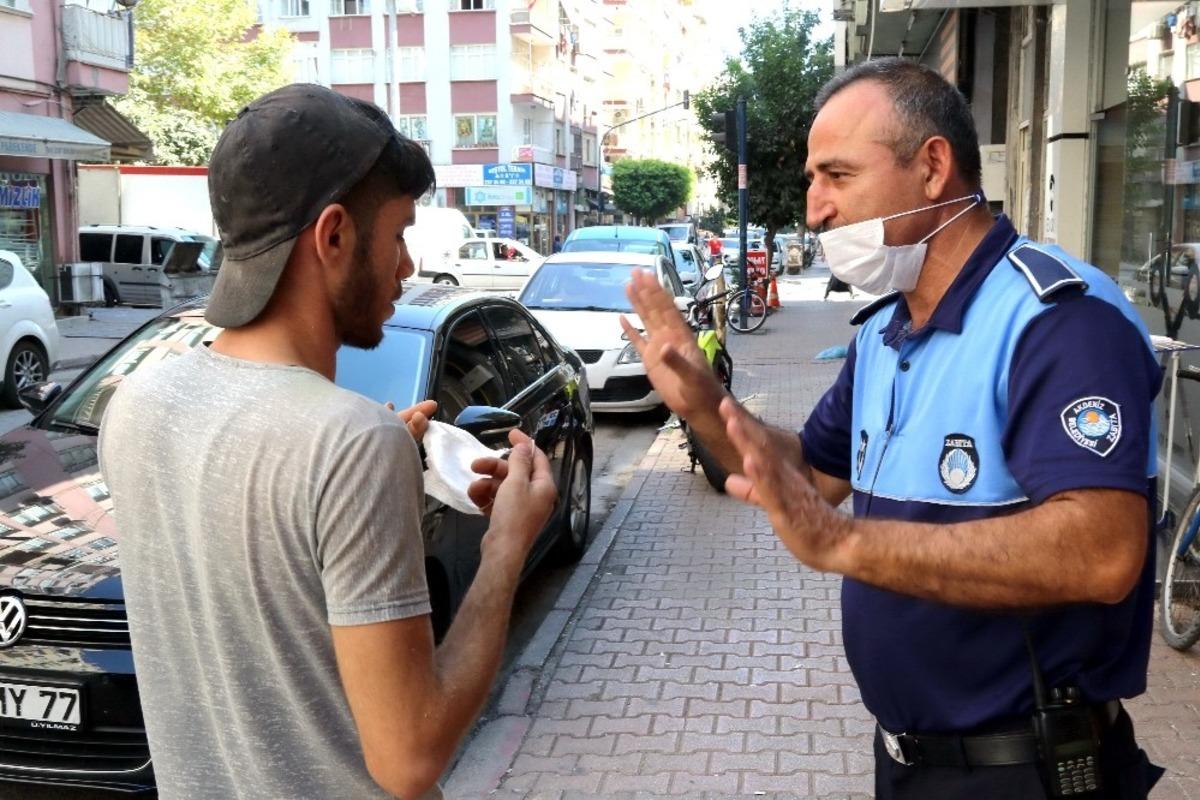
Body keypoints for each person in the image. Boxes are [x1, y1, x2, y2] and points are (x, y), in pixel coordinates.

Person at [622, 59, 1164, 799]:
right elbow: (810, 474)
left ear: (933, 165)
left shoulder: (1058, 321)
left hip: (1026, 772)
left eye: (836, 176)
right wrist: (702, 402)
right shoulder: (885, 332)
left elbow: (1103, 552)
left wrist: (843, 543)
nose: (815, 210)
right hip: (911, 764)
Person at [98, 84, 557, 800]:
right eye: (400, 233)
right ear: (334, 235)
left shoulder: (134, 407)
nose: (408, 267)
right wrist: (507, 545)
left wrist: (369, 469)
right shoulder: (348, 443)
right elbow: (410, 759)